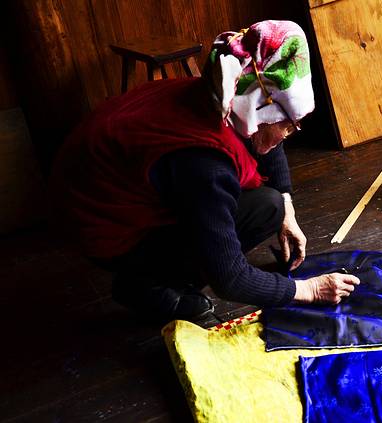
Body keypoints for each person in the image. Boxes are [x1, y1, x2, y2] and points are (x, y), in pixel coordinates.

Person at [50, 20, 360, 322]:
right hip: (106, 230)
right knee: (266, 208)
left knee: (275, 205)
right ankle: (144, 284)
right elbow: (230, 279)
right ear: (260, 113)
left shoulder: (225, 95)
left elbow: (269, 139)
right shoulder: (206, 164)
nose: (287, 136)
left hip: (106, 184)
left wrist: (288, 209)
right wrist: (309, 289)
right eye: (288, 128)